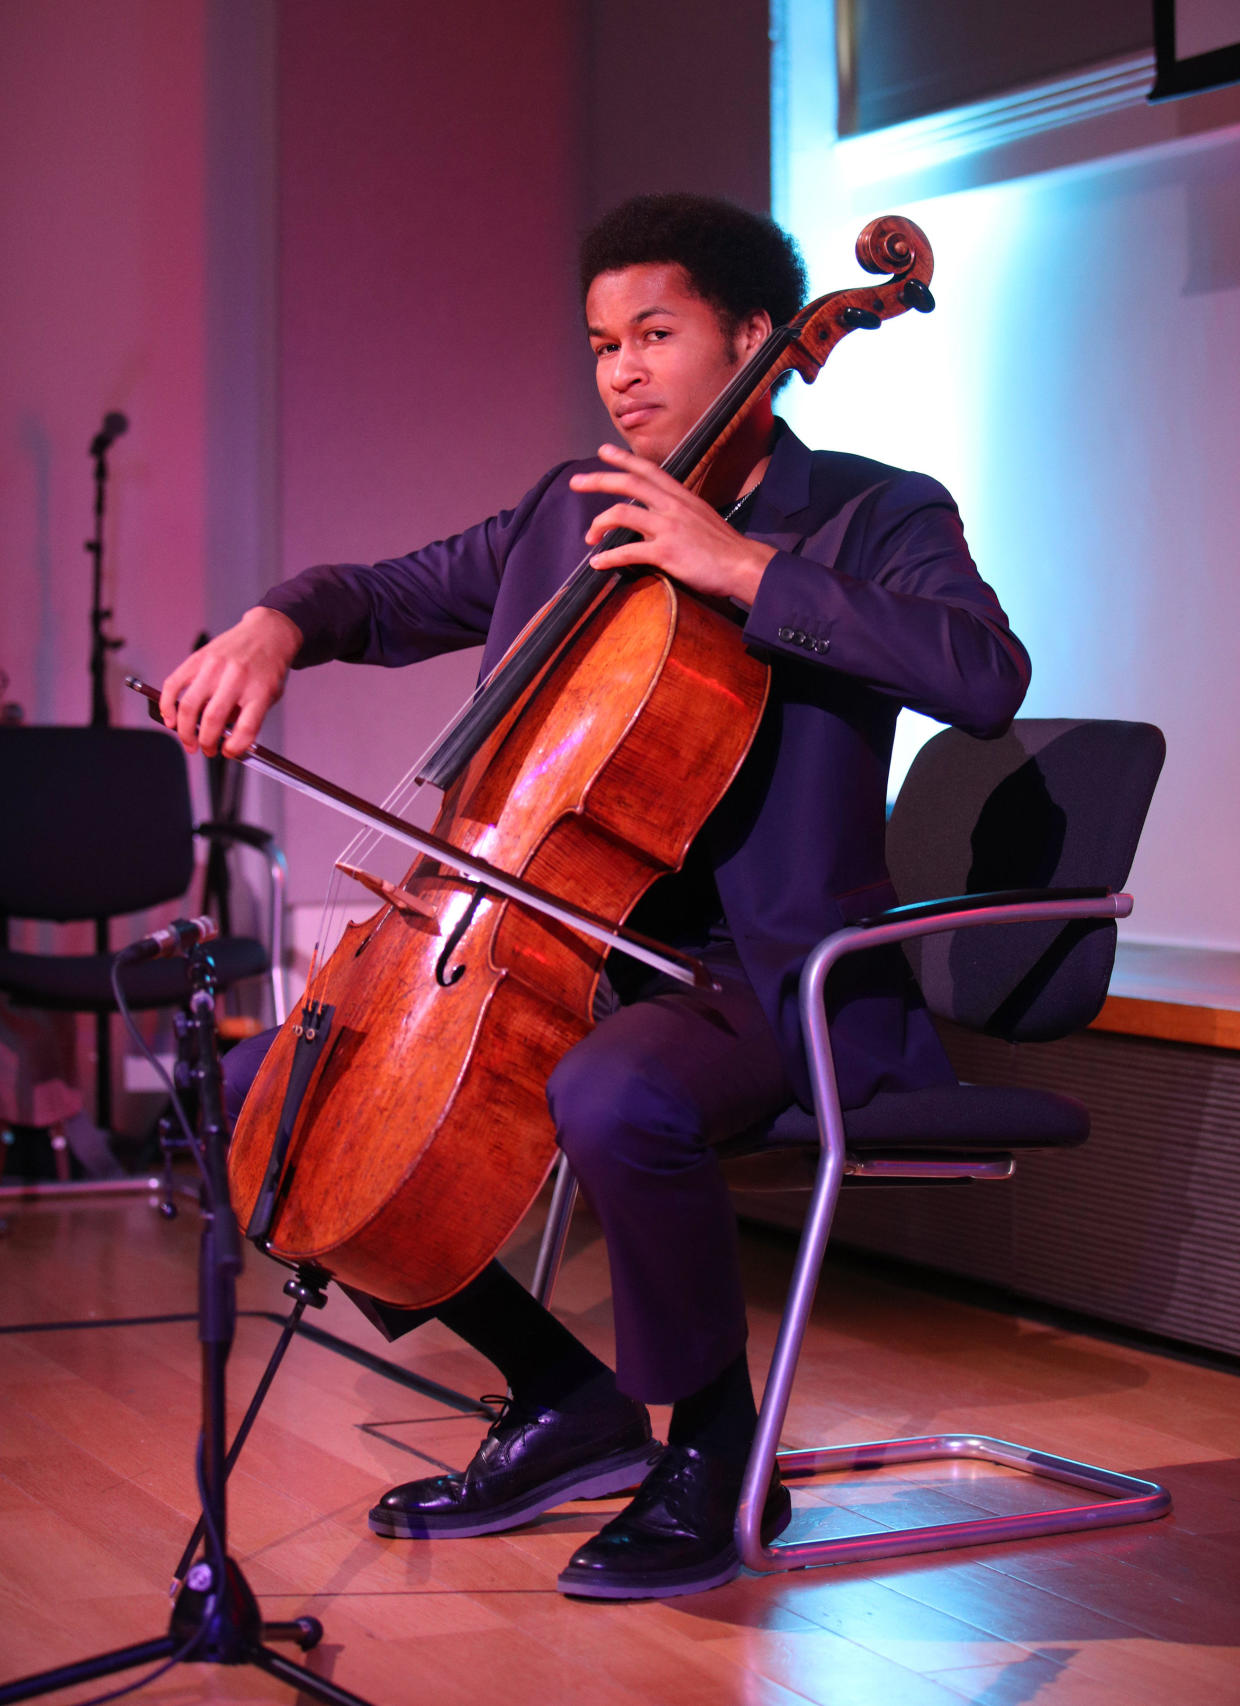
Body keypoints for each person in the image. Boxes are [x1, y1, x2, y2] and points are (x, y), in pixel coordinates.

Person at [161, 193, 1031, 1600]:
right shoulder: (571, 515)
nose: (621, 369)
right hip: (554, 947)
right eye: (600, 343)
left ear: (754, 337)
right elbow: (375, 598)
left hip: (763, 972)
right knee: (273, 1095)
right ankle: (563, 1397)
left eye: (654, 333)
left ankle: (715, 1445)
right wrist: (272, 623)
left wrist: (742, 568)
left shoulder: (872, 512)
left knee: (618, 1091)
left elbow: (985, 674)